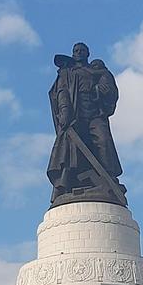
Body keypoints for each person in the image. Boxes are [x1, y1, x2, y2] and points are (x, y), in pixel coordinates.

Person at [46, 43, 126, 206]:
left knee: (103, 141)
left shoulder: (97, 71)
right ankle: (69, 183)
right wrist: (65, 111)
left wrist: (99, 89)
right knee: (72, 150)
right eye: (76, 51)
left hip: (95, 113)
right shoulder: (67, 72)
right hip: (76, 115)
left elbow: (110, 90)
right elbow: (61, 92)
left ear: (87, 53)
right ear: (73, 53)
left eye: (82, 50)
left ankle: (108, 177)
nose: (79, 53)